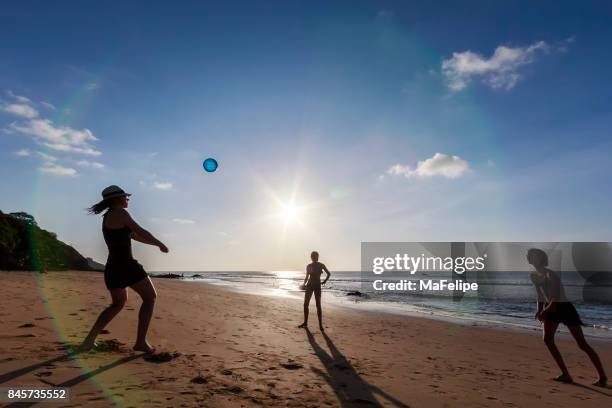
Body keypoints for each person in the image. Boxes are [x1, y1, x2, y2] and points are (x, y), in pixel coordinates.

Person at [80, 185, 169, 353]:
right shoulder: (121, 213)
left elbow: (134, 236)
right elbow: (141, 231)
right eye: (126, 197)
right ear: (118, 199)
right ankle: (141, 342)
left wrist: (155, 245)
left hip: (113, 267)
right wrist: (160, 243)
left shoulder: (108, 216)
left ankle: (88, 341)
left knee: (117, 304)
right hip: (126, 265)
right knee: (150, 297)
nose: (128, 199)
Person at [527, 248, 607, 386]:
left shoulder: (551, 274)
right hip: (549, 308)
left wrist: (544, 311)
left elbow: (555, 298)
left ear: (542, 258)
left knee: (582, 344)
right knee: (547, 339)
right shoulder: (533, 275)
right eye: (531, 256)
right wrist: (538, 310)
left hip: (564, 308)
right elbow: (540, 295)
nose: (533, 258)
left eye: (536, 256)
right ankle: (565, 374)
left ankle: (602, 377)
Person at [298, 251, 331, 331]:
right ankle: (307, 323)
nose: (313, 257)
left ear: (317, 257)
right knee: (307, 304)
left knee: (317, 305)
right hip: (311, 286)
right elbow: (307, 276)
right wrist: (304, 284)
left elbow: (328, 274)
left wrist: (324, 281)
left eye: (314, 256)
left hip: (315, 286)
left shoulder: (319, 265)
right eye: (312, 256)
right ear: (312, 257)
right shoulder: (311, 266)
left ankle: (319, 325)